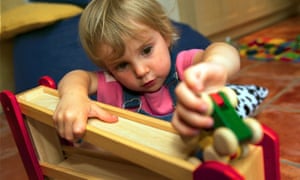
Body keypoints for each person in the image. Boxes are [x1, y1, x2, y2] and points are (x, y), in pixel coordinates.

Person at [53, 0, 240, 142]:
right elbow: (77, 76)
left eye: (146, 50)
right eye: (122, 65)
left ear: (165, 36)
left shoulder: (185, 66)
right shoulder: (113, 84)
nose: (141, 71)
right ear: (108, 68)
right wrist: (73, 96)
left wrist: (215, 65)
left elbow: (223, 50)